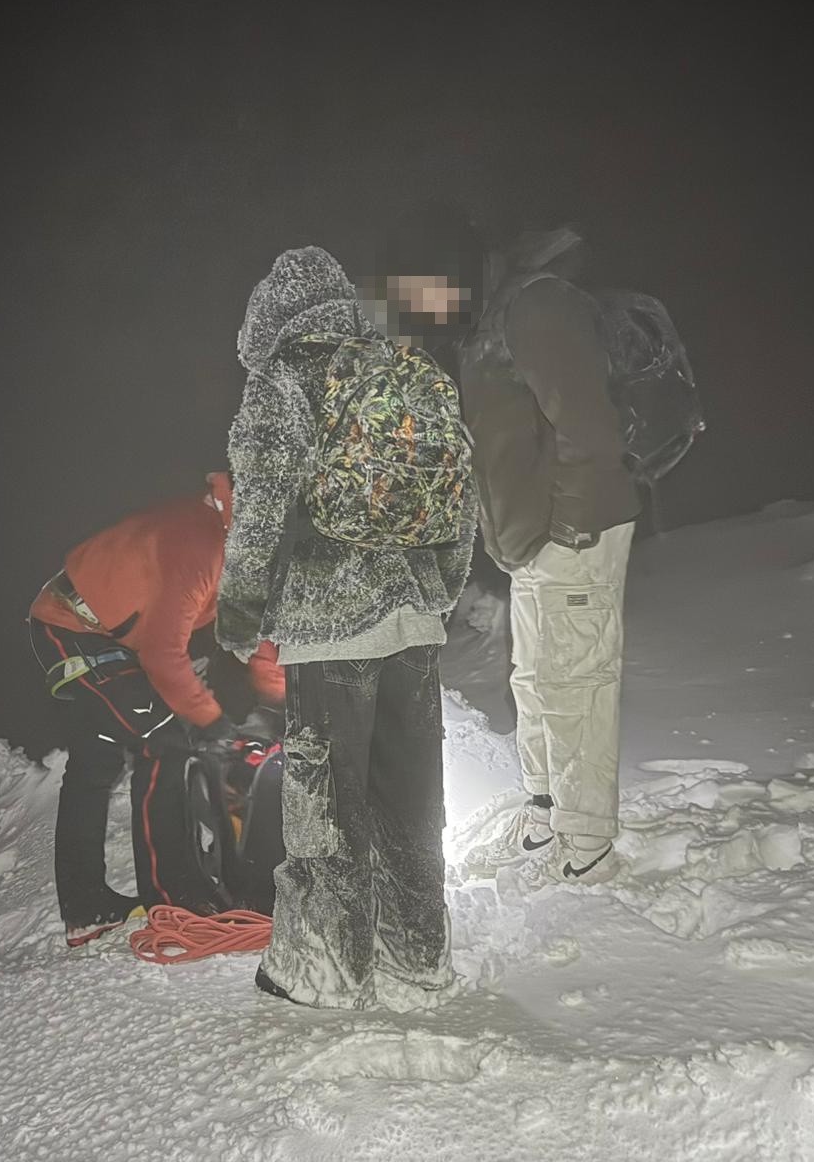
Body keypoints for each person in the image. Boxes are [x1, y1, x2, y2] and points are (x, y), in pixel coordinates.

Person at [218, 246, 477, 1010]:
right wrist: (437, 591)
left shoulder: (278, 386)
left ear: (269, 316)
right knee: (412, 807)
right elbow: (460, 502)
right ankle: (417, 963)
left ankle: (323, 972)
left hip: (329, 635)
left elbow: (258, 515)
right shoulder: (400, 372)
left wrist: (239, 616)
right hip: (414, 626)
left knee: (326, 812)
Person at [376, 209, 640, 885]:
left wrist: (569, 527)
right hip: (532, 542)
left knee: (575, 683)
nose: (418, 306)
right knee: (536, 680)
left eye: (422, 288)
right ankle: (547, 813)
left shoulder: (536, 306)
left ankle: (587, 846)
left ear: (453, 271)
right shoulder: (484, 326)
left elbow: (588, 423)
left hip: (572, 533)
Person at [28, 471, 284, 946]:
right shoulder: (199, 546)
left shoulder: (245, 551)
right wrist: (209, 720)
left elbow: (257, 632)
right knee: (163, 740)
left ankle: (86, 908)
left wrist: (275, 703)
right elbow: (164, 655)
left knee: (96, 760)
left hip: (121, 634)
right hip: (71, 626)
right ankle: (174, 895)